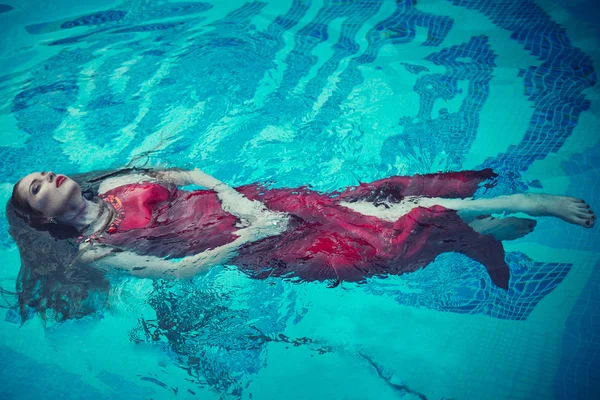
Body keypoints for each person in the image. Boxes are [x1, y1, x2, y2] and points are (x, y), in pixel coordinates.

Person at [6, 167, 595, 322]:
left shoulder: (114, 184)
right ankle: (480, 229)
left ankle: (512, 207)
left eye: (44, 173)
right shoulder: (94, 250)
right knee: (379, 251)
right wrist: (244, 242)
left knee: (371, 216)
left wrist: (235, 200)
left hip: (259, 207)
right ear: (40, 218)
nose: (48, 177)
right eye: (36, 187)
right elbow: (178, 274)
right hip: (260, 248)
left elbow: (188, 174)